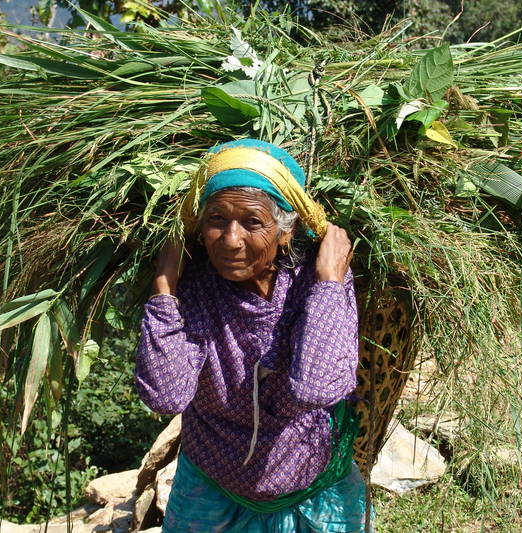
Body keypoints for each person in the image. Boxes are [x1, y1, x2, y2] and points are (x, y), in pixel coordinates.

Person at [135, 139, 370, 532]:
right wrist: (164, 291)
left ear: (285, 230)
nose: (230, 240)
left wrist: (330, 283)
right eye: (217, 220)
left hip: (311, 490)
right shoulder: (195, 289)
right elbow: (165, 396)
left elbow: (318, 388)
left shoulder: (317, 281)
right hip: (212, 490)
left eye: (252, 222)